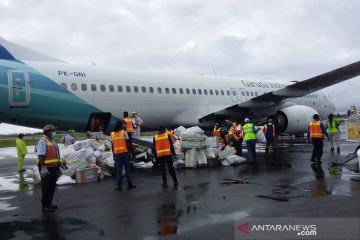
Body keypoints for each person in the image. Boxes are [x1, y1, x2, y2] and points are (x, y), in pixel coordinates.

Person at [37, 124, 61, 212]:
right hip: (46, 168)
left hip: (54, 167)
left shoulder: (52, 141)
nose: (54, 132)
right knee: (46, 188)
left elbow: (56, 154)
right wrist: (43, 167)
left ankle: (49, 203)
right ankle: (45, 206)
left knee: (52, 187)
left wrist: (59, 166)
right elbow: (41, 155)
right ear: (48, 131)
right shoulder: (43, 141)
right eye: (53, 130)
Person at [111, 121, 136, 191]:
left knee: (119, 170)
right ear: (121, 126)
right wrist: (130, 152)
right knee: (127, 169)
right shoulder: (124, 133)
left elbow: (112, 145)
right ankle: (130, 184)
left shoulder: (112, 134)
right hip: (124, 153)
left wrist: (114, 154)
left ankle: (119, 186)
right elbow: (128, 143)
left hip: (117, 154)